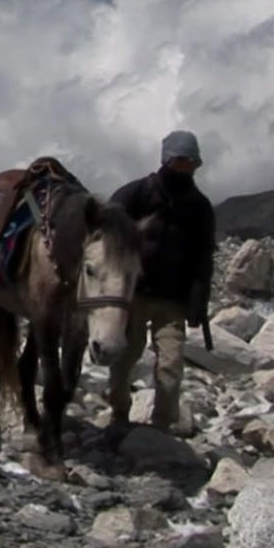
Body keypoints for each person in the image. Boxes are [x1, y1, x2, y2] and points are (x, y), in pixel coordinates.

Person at [106, 130, 216, 429]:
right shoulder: (136, 194)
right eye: (181, 160)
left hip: (173, 300)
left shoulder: (199, 206)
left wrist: (199, 301)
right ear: (167, 159)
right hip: (135, 295)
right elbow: (106, 232)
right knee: (125, 357)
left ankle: (163, 424)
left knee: (171, 364)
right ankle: (118, 412)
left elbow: (203, 256)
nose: (186, 167)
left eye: (191, 162)